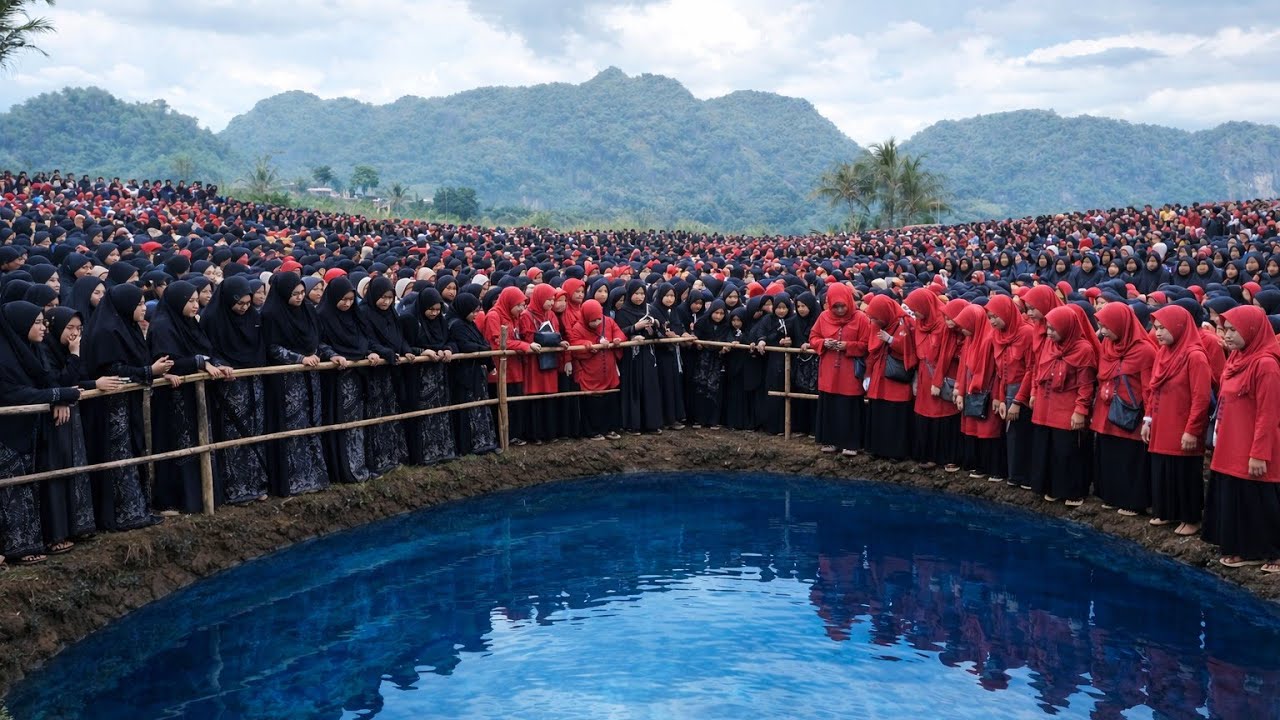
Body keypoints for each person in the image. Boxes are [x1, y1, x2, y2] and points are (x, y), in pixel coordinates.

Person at [0, 302, 82, 564]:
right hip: (7, 433)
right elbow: (15, 394)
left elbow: (47, 381)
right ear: (20, 325)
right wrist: (62, 395)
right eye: (37, 322)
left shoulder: (29, 353)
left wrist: (57, 396)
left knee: (27, 488)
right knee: (11, 491)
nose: (43, 328)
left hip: (27, 429)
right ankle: (16, 548)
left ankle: (30, 542)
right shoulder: (4, 358)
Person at [82, 284, 168, 531]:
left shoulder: (126, 328)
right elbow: (112, 369)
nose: (143, 308)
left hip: (127, 405)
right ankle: (123, 514)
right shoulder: (108, 332)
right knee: (118, 456)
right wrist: (149, 371)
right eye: (139, 304)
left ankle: (138, 508)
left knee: (133, 452)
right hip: (110, 408)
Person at [148, 280, 234, 514]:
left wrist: (216, 363)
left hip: (195, 394)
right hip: (173, 397)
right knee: (177, 444)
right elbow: (167, 362)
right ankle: (175, 499)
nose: (196, 305)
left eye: (197, 300)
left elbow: (207, 350)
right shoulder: (164, 326)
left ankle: (204, 496)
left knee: (200, 441)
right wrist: (200, 362)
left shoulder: (190, 324)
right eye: (191, 301)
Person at [1209, 305, 1280, 572]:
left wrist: (1259, 453)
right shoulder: (1237, 357)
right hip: (1232, 441)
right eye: (1225, 329)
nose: (1226, 335)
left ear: (1251, 330)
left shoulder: (1266, 365)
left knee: (1259, 498)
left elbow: (1269, 413)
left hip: (1254, 444)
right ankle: (1243, 547)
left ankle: (1270, 552)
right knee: (1238, 496)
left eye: (1233, 330)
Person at [37, 307, 107, 551]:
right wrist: (74, 356)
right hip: (52, 421)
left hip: (70, 416)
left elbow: (76, 381)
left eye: (79, 329)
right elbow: (59, 381)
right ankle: (57, 533)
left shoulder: (67, 349)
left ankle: (80, 524)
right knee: (56, 470)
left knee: (75, 465)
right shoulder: (46, 350)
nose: (75, 334)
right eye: (70, 328)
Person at [261, 272, 331, 497]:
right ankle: (294, 480)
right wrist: (299, 358)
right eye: (295, 294)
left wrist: (322, 354)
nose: (300, 298)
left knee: (312, 422)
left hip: (311, 375)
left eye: (302, 293)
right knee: (293, 426)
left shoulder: (308, 310)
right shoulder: (271, 314)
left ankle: (316, 476)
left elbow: (317, 339)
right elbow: (272, 348)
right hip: (286, 380)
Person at [1143, 305, 1212, 534]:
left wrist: (1191, 430)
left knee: (1184, 471)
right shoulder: (1164, 352)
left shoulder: (1195, 356)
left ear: (1179, 327)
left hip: (1182, 423)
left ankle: (1190, 517)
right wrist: (1148, 420)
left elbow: (1201, 399)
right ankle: (1168, 511)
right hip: (1163, 421)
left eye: (1164, 327)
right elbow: (1154, 389)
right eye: (1156, 327)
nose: (1158, 332)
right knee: (1163, 467)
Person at [201, 276, 270, 505]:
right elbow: (207, 350)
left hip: (254, 382)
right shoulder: (213, 319)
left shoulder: (254, 317)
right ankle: (235, 489)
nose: (243, 308)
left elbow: (260, 345)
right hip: (229, 386)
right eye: (239, 303)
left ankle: (257, 483)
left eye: (247, 303)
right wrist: (221, 365)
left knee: (255, 433)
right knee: (233, 437)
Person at [1091, 302, 1156, 515]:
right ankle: (1110, 495)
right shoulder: (1108, 345)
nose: (1102, 332)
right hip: (1107, 409)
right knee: (1109, 454)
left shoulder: (1144, 351)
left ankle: (1131, 501)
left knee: (1129, 458)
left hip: (1130, 412)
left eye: (1106, 327)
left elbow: (1148, 388)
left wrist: (1149, 417)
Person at [1030, 304, 1099, 505]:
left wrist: (1080, 410)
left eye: (1053, 329)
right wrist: (1034, 392)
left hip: (1066, 408)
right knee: (1047, 448)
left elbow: (1086, 384)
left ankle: (1072, 491)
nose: (1049, 333)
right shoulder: (1049, 344)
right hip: (1045, 404)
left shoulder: (1083, 349)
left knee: (1067, 451)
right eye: (1048, 328)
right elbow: (1038, 369)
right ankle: (1050, 486)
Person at [317, 276, 382, 484]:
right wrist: (332, 354)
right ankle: (346, 471)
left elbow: (365, 339)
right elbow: (318, 342)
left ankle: (361, 467)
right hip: (337, 381)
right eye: (343, 299)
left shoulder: (355, 316)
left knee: (358, 426)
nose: (347, 304)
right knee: (342, 426)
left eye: (350, 299)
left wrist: (370, 352)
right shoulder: (323, 316)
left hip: (358, 378)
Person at [357, 276, 410, 474]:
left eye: (389, 297)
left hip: (392, 371)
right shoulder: (364, 312)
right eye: (382, 297)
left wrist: (406, 350)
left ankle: (394, 456)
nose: (386, 302)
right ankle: (377, 459)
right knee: (376, 414)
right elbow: (366, 340)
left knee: (392, 412)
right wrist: (385, 352)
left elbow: (399, 336)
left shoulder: (391, 313)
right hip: (375, 372)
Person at [809, 284, 869, 456]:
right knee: (830, 405)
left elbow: (866, 345)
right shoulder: (823, 317)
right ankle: (831, 440)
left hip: (849, 371)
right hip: (829, 370)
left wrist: (847, 346)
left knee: (848, 407)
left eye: (843, 306)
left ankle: (850, 443)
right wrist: (823, 343)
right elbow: (813, 337)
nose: (841, 310)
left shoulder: (860, 318)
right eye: (836, 306)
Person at [401, 288, 458, 465]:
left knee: (440, 414)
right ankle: (423, 455)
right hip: (418, 378)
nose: (434, 313)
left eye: (437, 309)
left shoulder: (440, 321)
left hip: (439, 377)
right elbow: (404, 345)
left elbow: (451, 340)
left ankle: (443, 451)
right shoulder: (410, 320)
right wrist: (421, 352)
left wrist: (448, 349)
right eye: (431, 309)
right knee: (422, 416)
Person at [987, 294, 1037, 488]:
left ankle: (1024, 475)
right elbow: (1000, 371)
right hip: (1006, 389)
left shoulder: (1026, 333)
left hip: (1022, 391)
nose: (992, 321)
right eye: (989, 317)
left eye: (995, 316)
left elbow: (1030, 369)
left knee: (1023, 433)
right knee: (1010, 435)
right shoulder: (997, 335)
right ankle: (1014, 473)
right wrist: (999, 398)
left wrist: (1018, 401)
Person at [863, 293, 917, 460]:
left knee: (895, 416)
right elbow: (871, 348)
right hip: (879, 374)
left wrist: (892, 340)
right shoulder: (876, 325)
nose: (874, 322)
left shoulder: (906, 322)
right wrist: (868, 374)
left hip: (896, 377)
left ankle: (895, 452)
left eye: (876, 318)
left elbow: (910, 350)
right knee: (878, 411)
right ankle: (877, 448)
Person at [483, 286, 538, 445]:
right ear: (509, 302)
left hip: (515, 367)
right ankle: (503, 438)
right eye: (518, 305)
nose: (521, 309)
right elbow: (499, 342)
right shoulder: (494, 316)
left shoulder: (515, 317)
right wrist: (522, 345)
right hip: (500, 368)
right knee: (502, 403)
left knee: (516, 403)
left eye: (523, 305)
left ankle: (515, 434)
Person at [445, 293, 498, 455]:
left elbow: (482, 342)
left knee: (480, 408)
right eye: (473, 311)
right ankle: (468, 446)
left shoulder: (470, 324)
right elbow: (465, 345)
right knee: (466, 410)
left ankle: (484, 442)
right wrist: (484, 350)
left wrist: (488, 361)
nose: (476, 315)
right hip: (464, 375)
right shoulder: (456, 325)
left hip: (476, 373)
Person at [568, 299, 626, 440]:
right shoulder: (578, 327)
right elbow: (574, 345)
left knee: (610, 400)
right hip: (591, 372)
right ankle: (593, 431)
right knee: (593, 402)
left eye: (599, 319)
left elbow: (619, 333)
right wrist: (589, 345)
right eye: (593, 321)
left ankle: (610, 429)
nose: (597, 323)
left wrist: (617, 340)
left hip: (609, 370)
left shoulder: (608, 322)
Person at [614, 280, 663, 434]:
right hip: (631, 357)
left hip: (647, 355)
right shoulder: (622, 312)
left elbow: (659, 332)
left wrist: (654, 326)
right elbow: (619, 331)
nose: (639, 297)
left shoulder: (649, 310)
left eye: (642, 293)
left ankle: (651, 423)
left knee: (649, 387)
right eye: (636, 293)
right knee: (633, 387)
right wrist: (635, 328)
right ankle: (633, 424)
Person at [690, 300, 730, 428]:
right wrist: (699, 344)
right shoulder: (702, 322)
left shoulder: (726, 325)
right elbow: (695, 338)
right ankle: (699, 419)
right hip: (703, 360)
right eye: (716, 313)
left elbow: (728, 339)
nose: (718, 316)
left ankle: (713, 419)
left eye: (721, 313)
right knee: (700, 387)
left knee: (715, 389)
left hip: (717, 361)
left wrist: (725, 347)